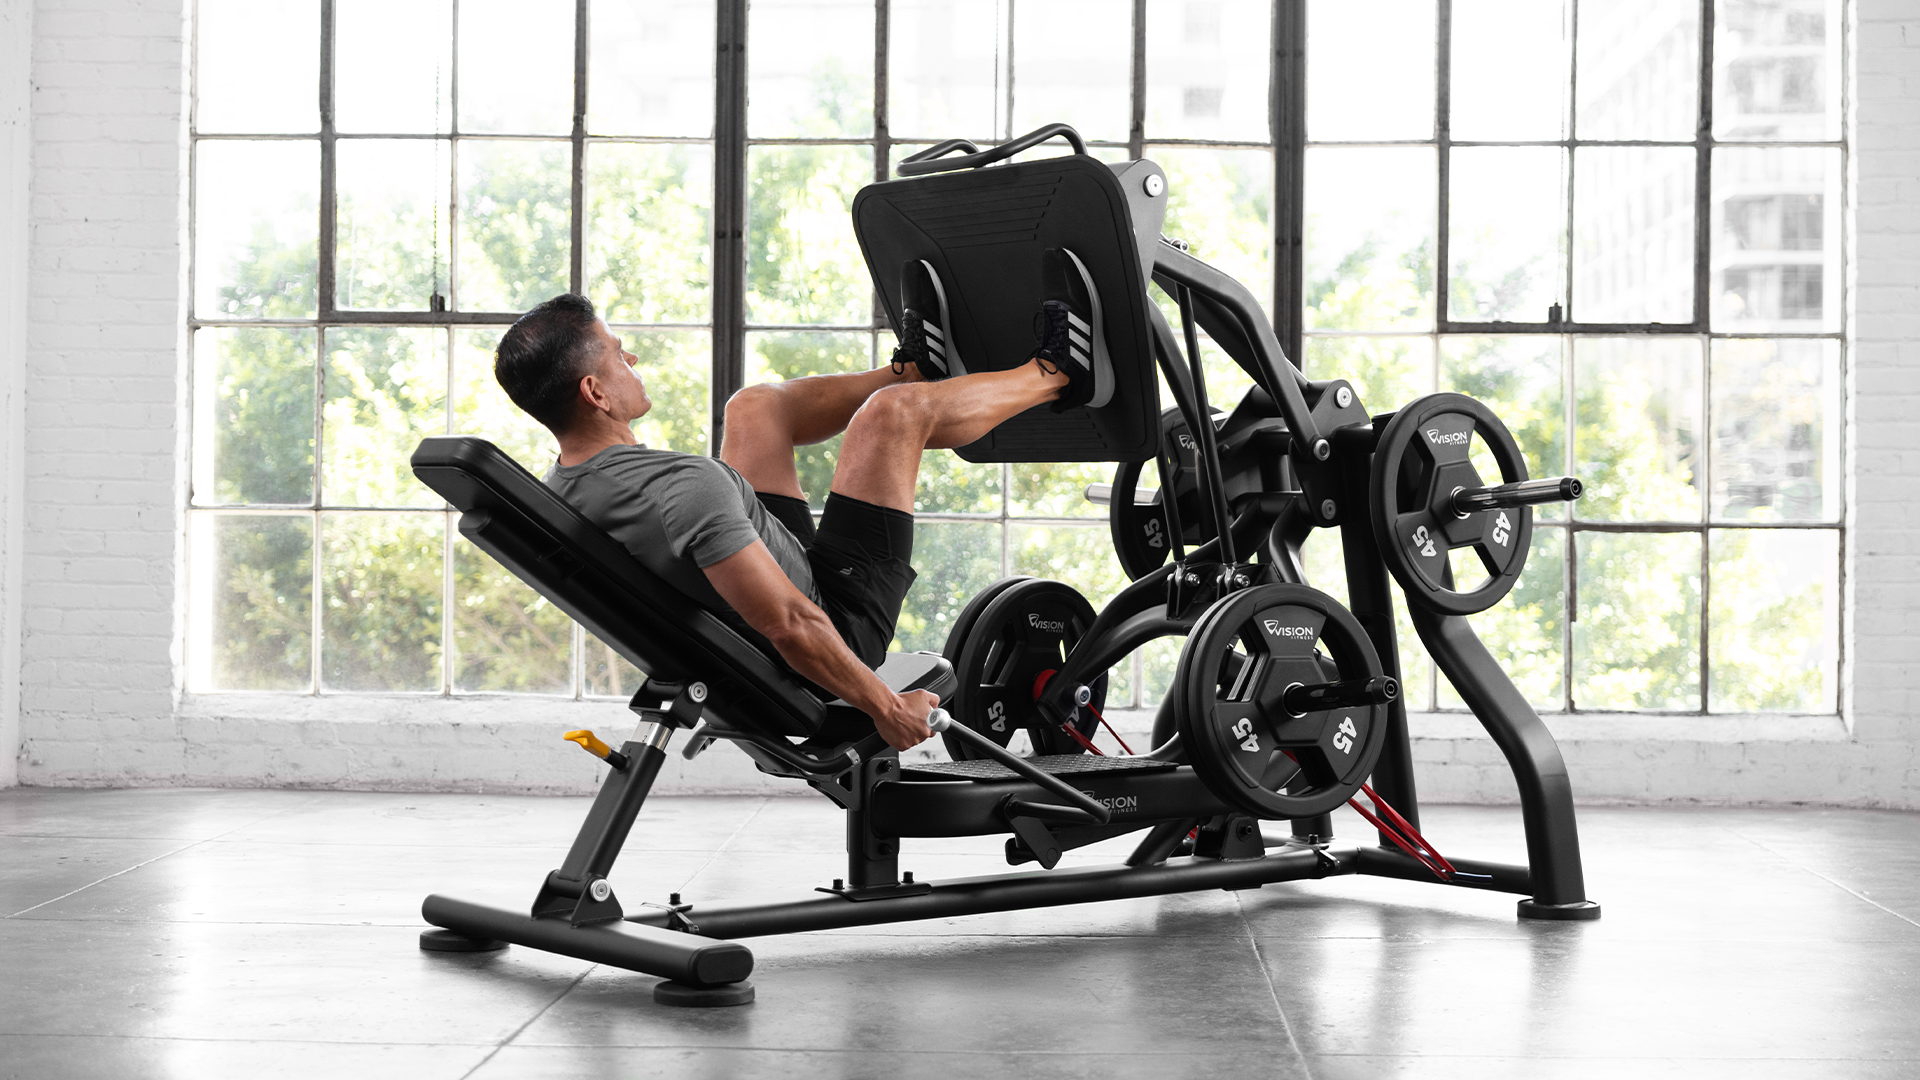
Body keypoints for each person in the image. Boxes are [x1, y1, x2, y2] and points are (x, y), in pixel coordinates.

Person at [492, 252, 1109, 751]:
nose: (633, 359)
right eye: (618, 353)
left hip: (770, 570)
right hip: (837, 618)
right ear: (596, 392)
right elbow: (790, 623)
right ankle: (1060, 369)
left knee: (753, 407)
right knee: (892, 418)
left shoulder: (570, 487)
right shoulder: (681, 490)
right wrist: (888, 708)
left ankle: (916, 369)